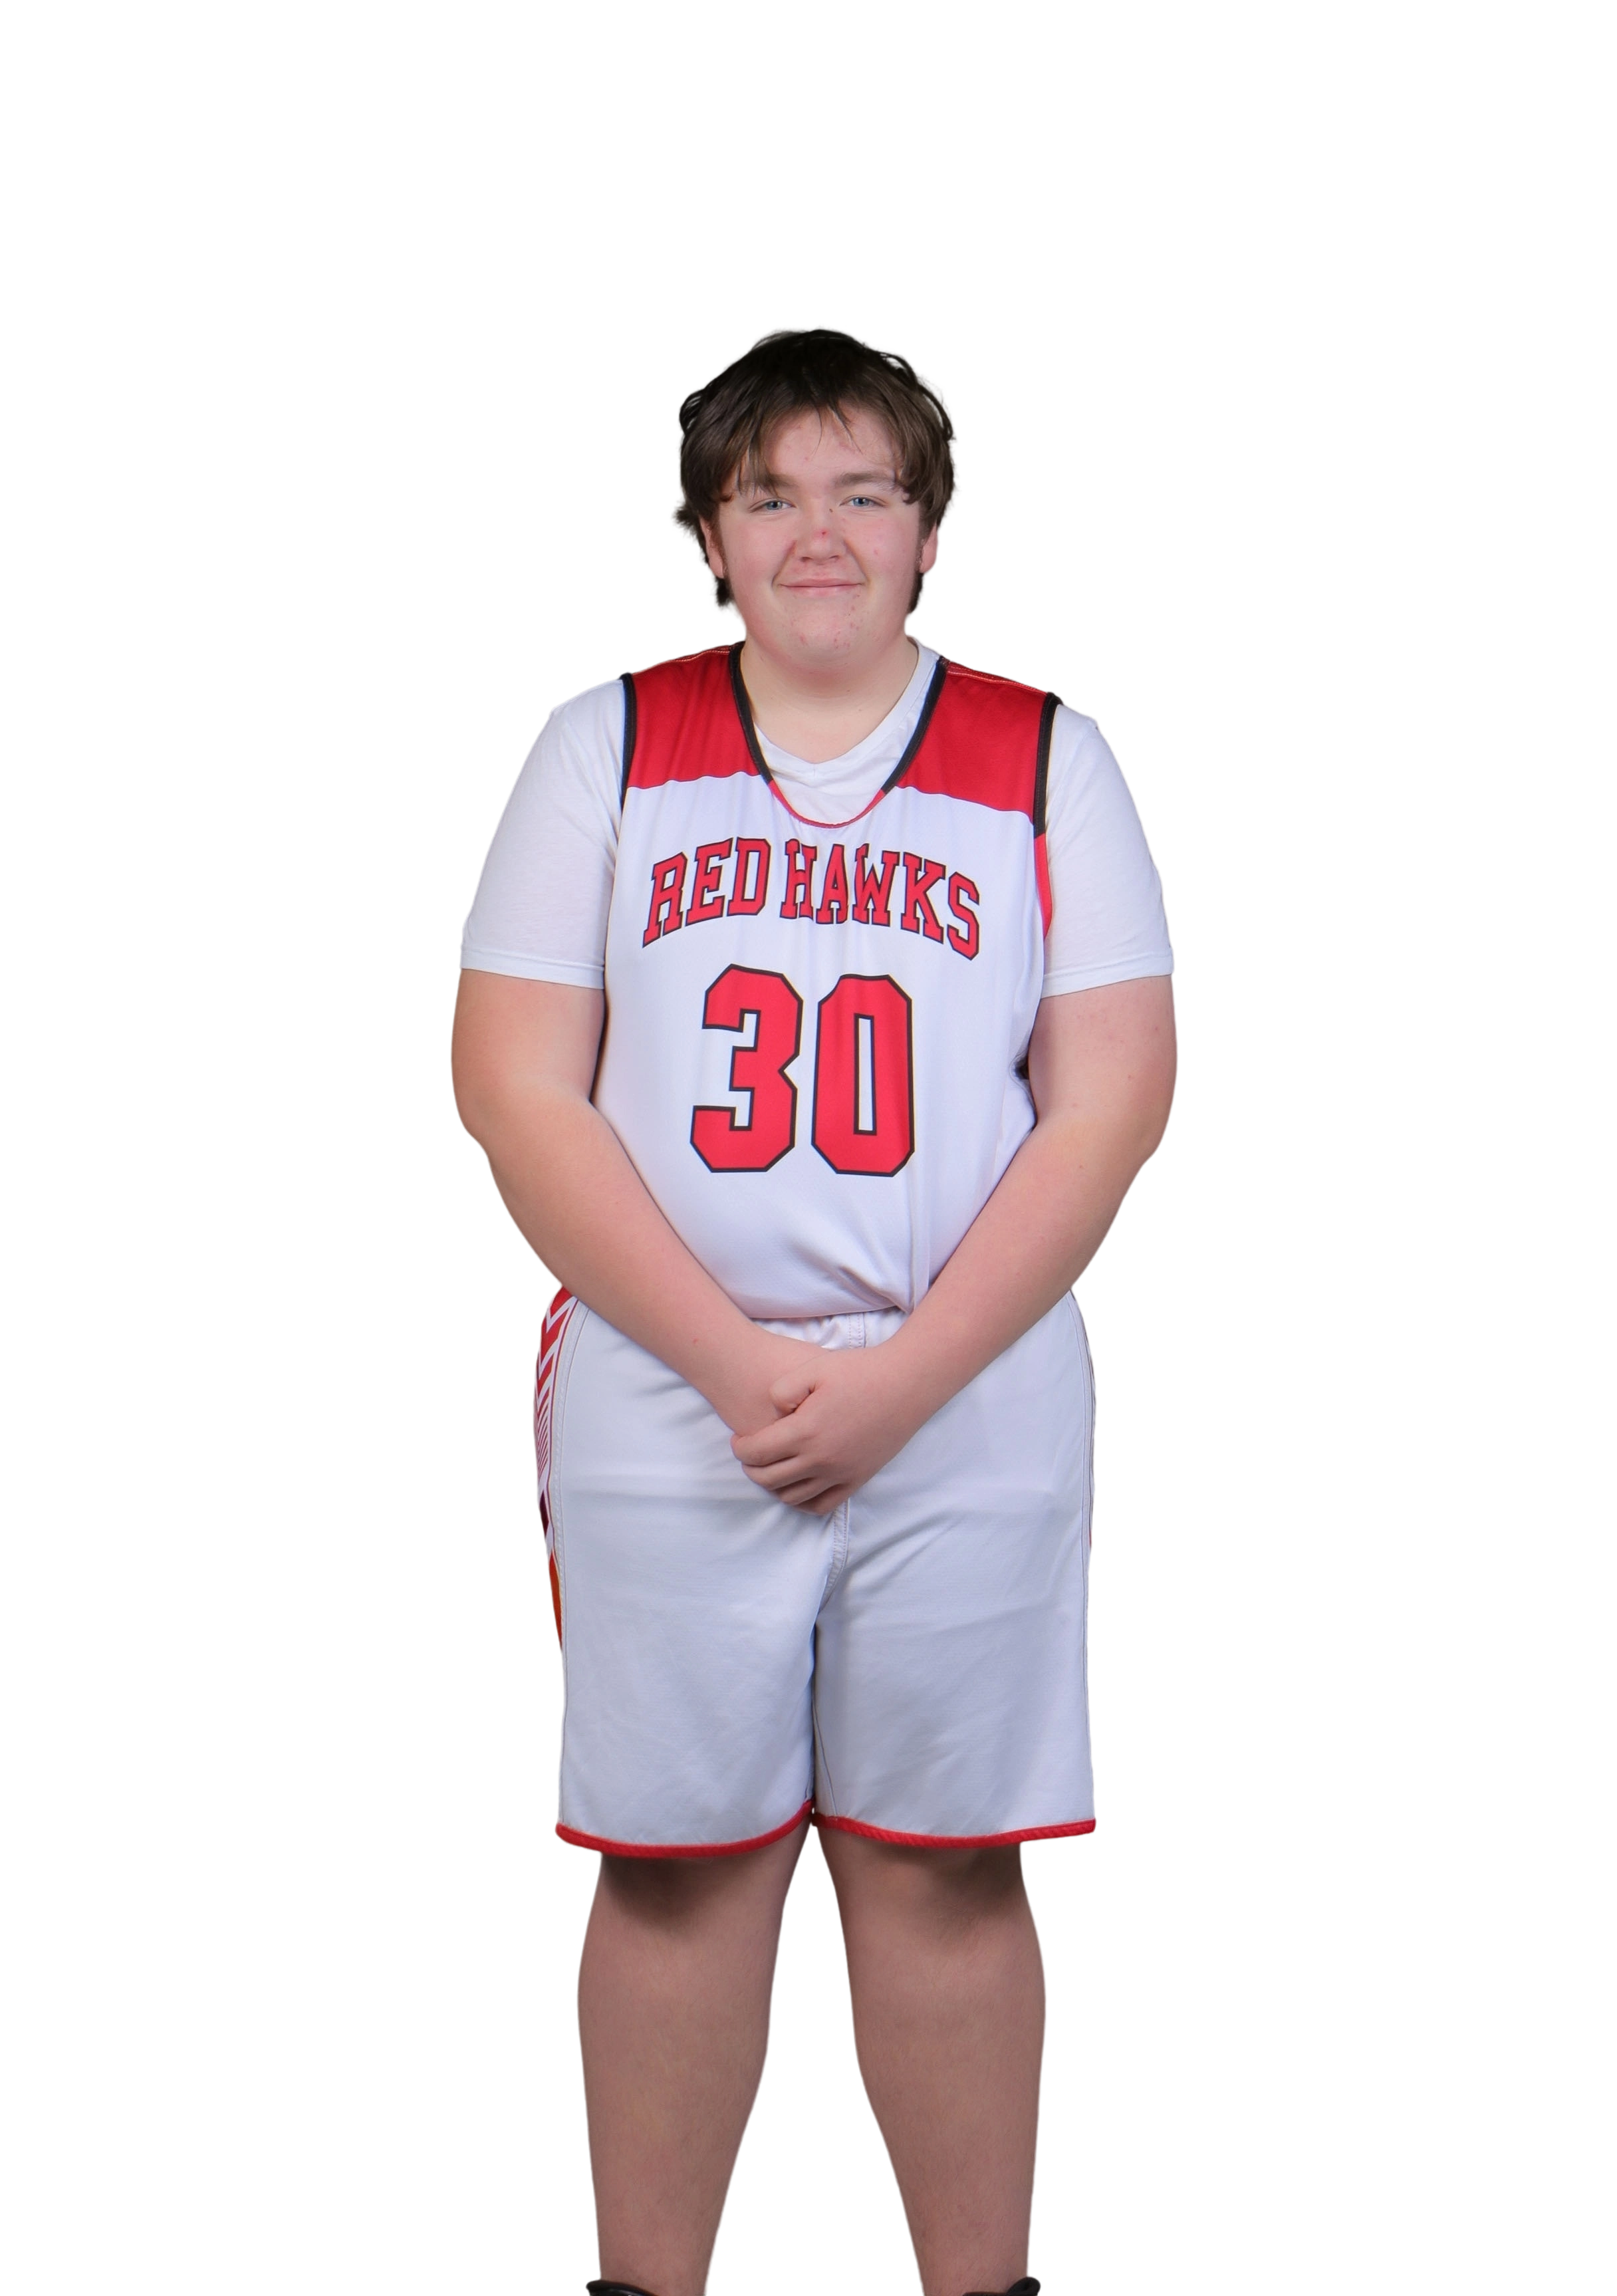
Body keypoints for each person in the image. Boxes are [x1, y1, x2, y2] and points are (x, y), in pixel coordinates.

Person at [449, 324, 1179, 2296]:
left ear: (933, 527)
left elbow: (1113, 1102)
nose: (820, 533)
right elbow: (513, 1087)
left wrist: (903, 1383)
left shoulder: (1048, 756)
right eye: (770, 494)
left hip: (966, 1384)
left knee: (946, 1861)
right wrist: (736, 1362)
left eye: (867, 491)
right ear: (708, 532)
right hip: (670, 1382)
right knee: (680, 1866)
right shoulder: (603, 743)